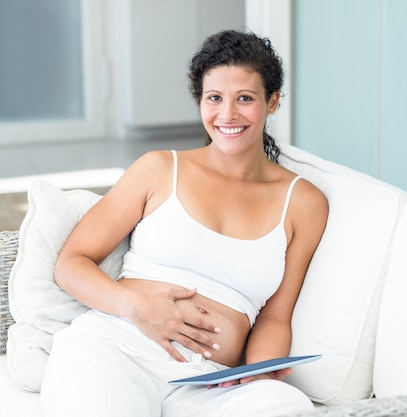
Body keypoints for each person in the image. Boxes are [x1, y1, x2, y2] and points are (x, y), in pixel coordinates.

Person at [40, 29, 328, 417]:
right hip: (118, 349)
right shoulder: (158, 169)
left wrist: (258, 373)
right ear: (200, 102)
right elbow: (71, 264)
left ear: (272, 102)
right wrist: (137, 307)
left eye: (245, 98)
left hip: (209, 384)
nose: (227, 114)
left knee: (286, 404)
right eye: (214, 98)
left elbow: (276, 316)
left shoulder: (304, 203)